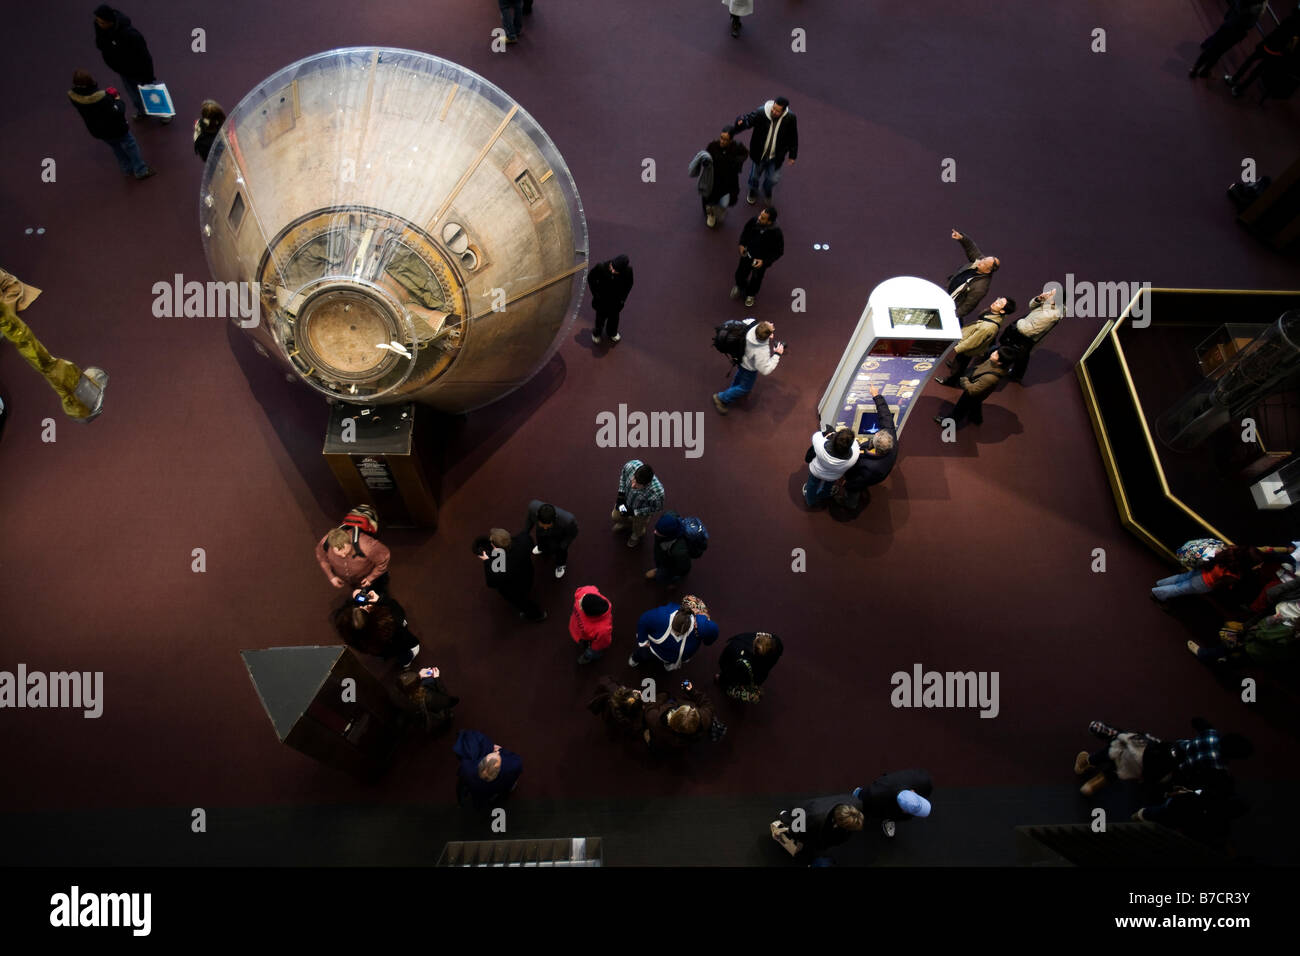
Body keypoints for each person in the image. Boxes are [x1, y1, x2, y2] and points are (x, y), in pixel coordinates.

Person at [67, 70, 154, 180]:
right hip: (116, 128)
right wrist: (117, 99)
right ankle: (141, 170)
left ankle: (127, 168)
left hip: (98, 131)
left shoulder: (74, 97)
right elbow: (117, 110)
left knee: (116, 147)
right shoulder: (102, 98)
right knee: (130, 144)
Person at [93, 6, 165, 123]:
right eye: (98, 21)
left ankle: (165, 113)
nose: (98, 24)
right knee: (133, 93)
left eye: (101, 22)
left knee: (151, 91)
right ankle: (142, 111)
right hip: (123, 70)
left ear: (110, 22)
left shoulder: (130, 34)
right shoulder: (101, 28)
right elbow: (100, 44)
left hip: (139, 69)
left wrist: (148, 74)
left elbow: (144, 55)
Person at [833, 387, 897, 509]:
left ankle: (849, 504)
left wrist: (848, 484)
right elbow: (886, 416)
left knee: (854, 490)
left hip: (866, 477)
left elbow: (859, 480)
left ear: (875, 445)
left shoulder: (871, 467)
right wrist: (876, 395)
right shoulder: (890, 437)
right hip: (876, 471)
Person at [935, 296, 1015, 386]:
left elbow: (972, 343)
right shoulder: (995, 315)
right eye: (998, 299)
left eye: (1000, 303)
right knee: (959, 360)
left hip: (969, 348)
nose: (996, 302)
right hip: (969, 341)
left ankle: (951, 381)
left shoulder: (988, 327)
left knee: (961, 363)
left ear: (1002, 311)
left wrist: (955, 349)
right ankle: (954, 365)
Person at [732, 97, 798, 206]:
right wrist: (741, 122)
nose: (774, 111)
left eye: (777, 111)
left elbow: (793, 136)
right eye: (773, 108)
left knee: (773, 179)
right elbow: (748, 120)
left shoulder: (790, 118)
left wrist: (793, 155)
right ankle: (753, 190)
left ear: (783, 111)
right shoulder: (761, 112)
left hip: (776, 156)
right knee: (754, 176)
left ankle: (767, 191)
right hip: (759, 154)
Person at [330, 588, 421, 666]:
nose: (364, 606)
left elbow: (349, 612)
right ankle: (406, 662)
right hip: (401, 643)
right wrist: (380, 599)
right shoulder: (390, 621)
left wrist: (356, 597)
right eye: (364, 609)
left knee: (392, 653)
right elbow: (397, 609)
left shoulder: (349, 630)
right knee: (405, 653)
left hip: (379, 649)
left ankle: (403, 661)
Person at [932, 348, 1018, 428]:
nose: (993, 353)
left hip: (973, 392)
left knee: (960, 409)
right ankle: (976, 418)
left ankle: (949, 423)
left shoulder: (990, 378)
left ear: (1000, 362)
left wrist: (964, 380)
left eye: (996, 354)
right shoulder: (993, 362)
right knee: (975, 404)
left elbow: (972, 390)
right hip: (979, 390)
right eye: (996, 351)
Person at [712, 320, 783, 414]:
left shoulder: (751, 323)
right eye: (770, 325)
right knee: (745, 388)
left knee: (740, 376)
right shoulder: (761, 351)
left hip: (740, 360)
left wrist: (766, 335)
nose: (772, 324)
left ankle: (734, 388)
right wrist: (777, 354)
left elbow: (744, 324)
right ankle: (721, 398)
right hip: (749, 368)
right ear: (764, 337)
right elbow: (765, 370)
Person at [1225, 6, 1300, 95]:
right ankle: (1239, 89)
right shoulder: (1297, 30)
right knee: (1257, 72)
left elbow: (1276, 33)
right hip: (1276, 52)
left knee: (1250, 61)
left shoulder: (1290, 20)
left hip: (1268, 45)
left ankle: (1234, 79)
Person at [475, 529, 546, 622]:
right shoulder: (524, 539)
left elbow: (492, 583)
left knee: (523, 602)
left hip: (515, 588)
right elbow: (528, 542)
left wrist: (487, 561)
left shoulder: (500, 566)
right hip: (527, 574)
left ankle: (537, 615)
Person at [1150, 545, 1257, 606]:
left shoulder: (1231, 551)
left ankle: (1160, 584)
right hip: (1204, 583)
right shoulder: (1235, 574)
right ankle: (1157, 594)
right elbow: (1219, 586)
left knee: (1180, 578)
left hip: (1202, 570)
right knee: (1179, 589)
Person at [630, 597, 719, 670]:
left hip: (659, 651)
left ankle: (635, 660)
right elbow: (643, 620)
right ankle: (635, 659)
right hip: (658, 652)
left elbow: (643, 620)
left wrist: (642, 641)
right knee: (642, 654)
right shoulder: (661, 616)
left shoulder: (663, 616)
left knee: (644, 654)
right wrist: (643, 642)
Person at [993, 288, 1061, 382]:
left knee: (1020, 353)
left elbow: (1027, 331)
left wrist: (1020, 321)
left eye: (1050, 294)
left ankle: (1012, 372)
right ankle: (1012, 370)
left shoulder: (1048, 315)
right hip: (1026, 325)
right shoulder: (1049, 304)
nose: (1047, 293)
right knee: (1019, 353)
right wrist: (1038, 299)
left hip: (1026, 335)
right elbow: (1032, 306)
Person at [770, 795, 864, 861]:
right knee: (799, 835)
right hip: (800, 815)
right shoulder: (815, 818)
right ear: (838, 822)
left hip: (813, 814)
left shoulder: (856, 803)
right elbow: (798, 831)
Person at [690, 127, 750, 229]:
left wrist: (737, 162)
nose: (722, 141)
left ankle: (714, 210)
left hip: (728, 183)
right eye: (721, 138)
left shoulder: (736, 147)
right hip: (713, 181)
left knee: (724, 203)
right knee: (709, 200)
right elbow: (706, 158)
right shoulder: (713, 146)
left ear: (731, 140)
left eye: (725, 139)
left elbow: (745, 153)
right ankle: (710, 214)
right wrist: (705, 162)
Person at [1190, 1, 1265, 78]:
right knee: (1219, 51)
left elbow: (1235, 4)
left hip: (1228, 23)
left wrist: (1228, 17)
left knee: (1213, 46)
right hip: (1236, 32)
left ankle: (1195, 67)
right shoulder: (1257, 8)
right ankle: (1205, 70)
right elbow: (1250, 25)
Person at [453, 729, 523, 808]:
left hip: (477, 793)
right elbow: (518, 762)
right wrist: (500, 749)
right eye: (497, 755)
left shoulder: (467, 767)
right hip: (493, 790)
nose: (497, 752)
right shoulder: (505, 772)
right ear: (497, 771)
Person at [853, 769, 934, 837]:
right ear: (903, 810)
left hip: (892, 795)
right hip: (882, 795)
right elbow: (869, 794)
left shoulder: (924, 782)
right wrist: (860, 795)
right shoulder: (878, 792)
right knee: (866, 804)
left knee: (899, 815)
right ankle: (858, 793)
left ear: (913, 792)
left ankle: (889, 819)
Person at [731, 206, 784, 308]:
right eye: (760, 215)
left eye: (763, 218)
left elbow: (778, 252)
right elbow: (745, 232)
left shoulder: (776, 233)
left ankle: (750, 295)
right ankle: (740, 285)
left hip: (760, 262)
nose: (759, 218)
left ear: (769, 222)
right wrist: (742, 244)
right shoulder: (754, 221)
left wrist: (764, 262)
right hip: (747, 255)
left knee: (756, 280)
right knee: (740, 274)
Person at [642, 679, 715, 749]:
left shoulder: (656, 720)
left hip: (664, 739)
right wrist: (691, 692)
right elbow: (707, 704)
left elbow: (649, 707)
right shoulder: (705, 718)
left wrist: (662, 695)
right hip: (686, 740)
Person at [316, 524, 390, 593]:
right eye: (339, 554)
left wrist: (371, 577)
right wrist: (331, 576)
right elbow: (322, 558)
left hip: (372, 579)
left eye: (346, 552)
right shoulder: (324, 544)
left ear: (350, 542)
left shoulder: (366, 545)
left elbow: (384, 557)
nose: (343, 556)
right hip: (354, 581)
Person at [945, 229, 1000, 319]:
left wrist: (952, 316)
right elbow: (971, 248)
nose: (980, 261)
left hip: (951, 303)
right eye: (983, 259)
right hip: (948, 290)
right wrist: (962, 238)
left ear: (988, 270)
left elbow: (968, 306)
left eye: (983, 263)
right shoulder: (980, 262)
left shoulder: (980, 288)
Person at [716, 631, 783, 702]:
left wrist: (723, 676)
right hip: (759, 676)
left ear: (754, 647)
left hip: (743, 676)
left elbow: (725, 665)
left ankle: (721, 679)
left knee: (732, 676)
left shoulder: (738, 649)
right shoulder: (778, 644)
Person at [803, 425, 860, 507]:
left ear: (835, 439)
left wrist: (832, 434)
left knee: (812, 485)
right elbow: (855, 444)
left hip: (816, 472)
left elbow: (817, 435)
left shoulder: (820, 447)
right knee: (828, 485)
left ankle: (810, 501)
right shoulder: (854, 456)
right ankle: (824, 495)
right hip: (834, 476)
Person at [612, 459, 664, 548]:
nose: (633, 485)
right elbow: (623, 477)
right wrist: (621, 496)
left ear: (647, 484)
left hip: (640, 511)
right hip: (625, 501)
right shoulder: (631, 466)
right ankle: (627, 524)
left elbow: (656, 508)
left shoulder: (657, 493)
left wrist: (634, 512)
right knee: (615, 516)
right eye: (634, 479)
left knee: (638, 527)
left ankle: (636, 535)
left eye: (637, 485)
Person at [397, 665, 459, 734]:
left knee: (429, 681)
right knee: (431, 681)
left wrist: (419, 676)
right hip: (434, 718)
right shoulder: (429, 698)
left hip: (418, 718)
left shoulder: (400, 695)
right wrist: (437, 678)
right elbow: (449, 701)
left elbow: (408, 687)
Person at [524, 499, 578, 578]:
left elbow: (572, 534)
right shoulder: (532, 507)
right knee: (540, 537)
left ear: (554, 519)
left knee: (561, 551)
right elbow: (529, 520)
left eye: (547, 525)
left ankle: (560, 565)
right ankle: (541, 548)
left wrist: (563, 546)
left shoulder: (568, 521)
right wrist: (525, 534)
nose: (545, 527)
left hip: (558, 535)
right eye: (542, 524)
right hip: (541, 532)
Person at [588, 255, 633, 344]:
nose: (612, 271)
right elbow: (591, 279)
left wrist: (622, 299)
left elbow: (629, 285)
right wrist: (596, 294)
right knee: (600, 320)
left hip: (616, 302)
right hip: (602, 301)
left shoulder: (628, 271)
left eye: (616, 271)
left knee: (614, 319)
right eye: (612, 267)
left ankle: (612, 333)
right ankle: (597, 334)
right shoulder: (601, 267)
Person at [569, 586, 614, 664]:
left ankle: (588, 657)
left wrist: (592, 649)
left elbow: (602, 643)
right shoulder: (586, 592)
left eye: (581, 605)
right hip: (576, 629)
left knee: (592, 652)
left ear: (590, 614)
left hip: (585, 639)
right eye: (583, 598)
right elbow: (579, 591)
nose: (579, 600)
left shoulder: (603, 629)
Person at [646, 514, 693, 586]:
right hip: (663, 556)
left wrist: (675, 574)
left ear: (670, 535)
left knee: (662, 577)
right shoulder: (670, 516)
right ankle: (659, 569)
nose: (655, 532)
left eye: (659, 532)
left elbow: (684, 567)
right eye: (657, 529)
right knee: (659, 562)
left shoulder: (679, 550)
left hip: (670, 566)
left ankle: (672, 581)